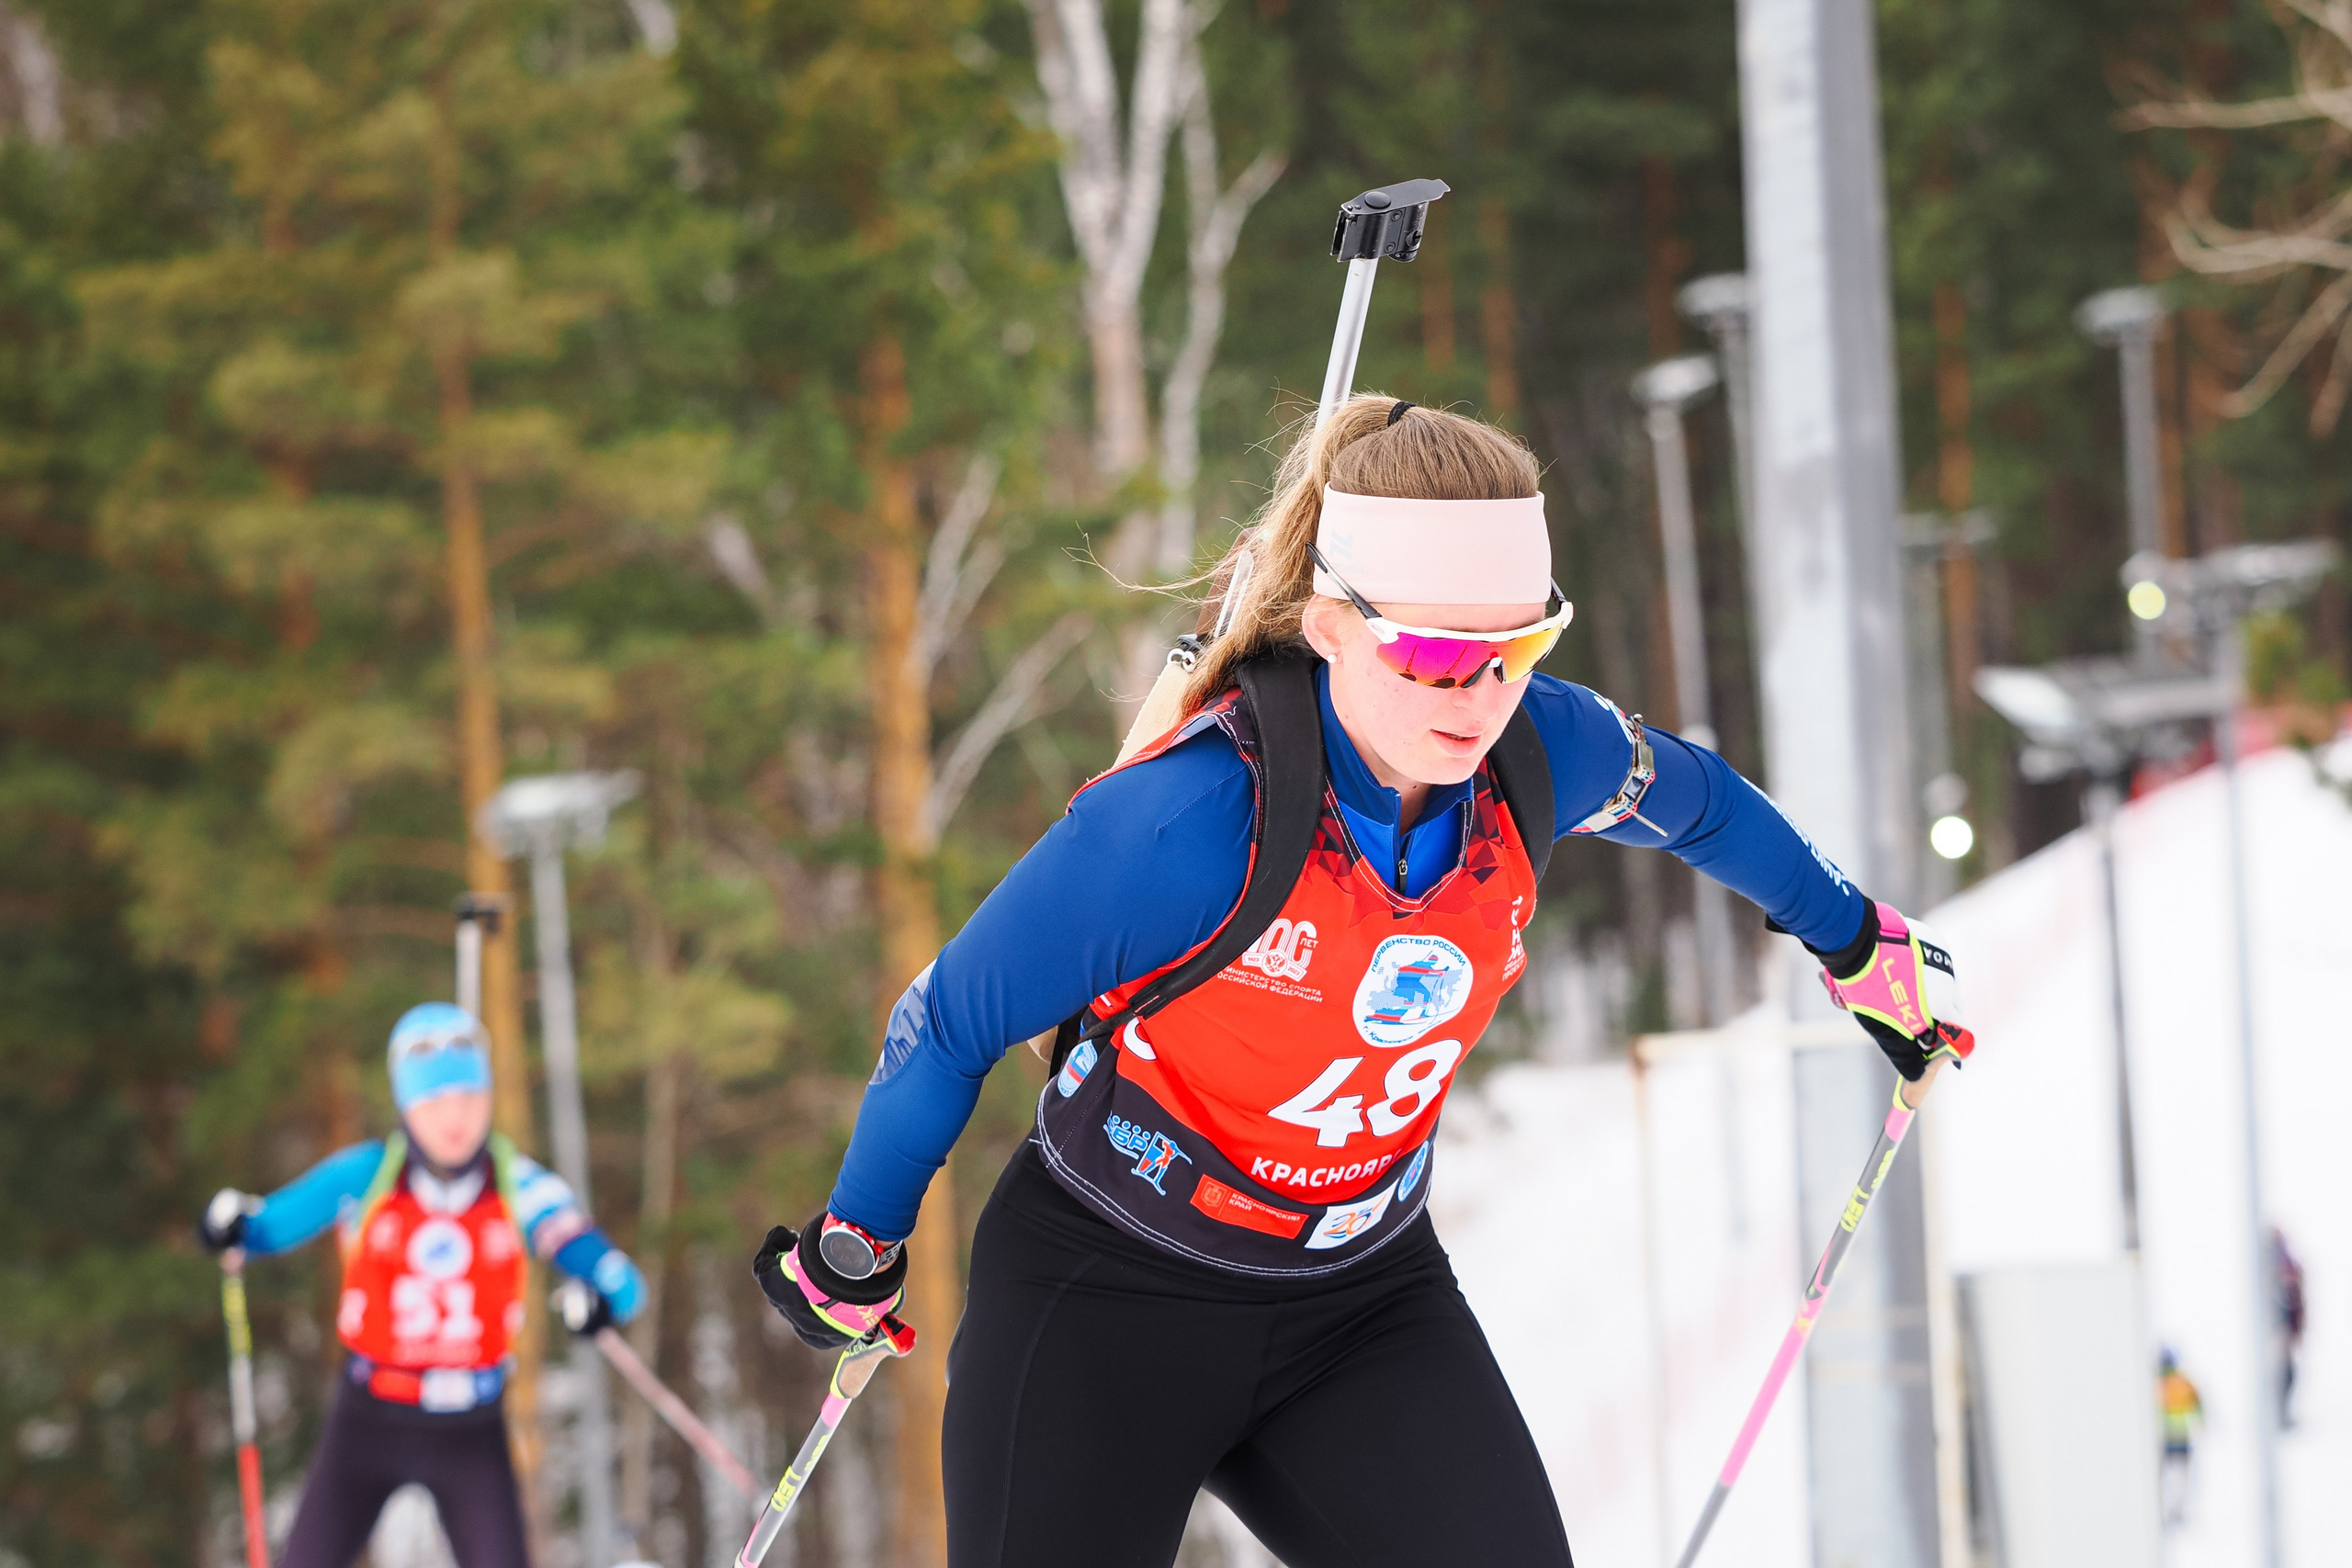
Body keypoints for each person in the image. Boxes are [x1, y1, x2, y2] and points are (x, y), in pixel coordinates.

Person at [752, 397, 1968, 1568]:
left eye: (1515, 648)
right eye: (1436, 653)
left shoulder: (1539, 751)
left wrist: (1857, 941)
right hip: (1106, 1292)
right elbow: (950, 1016)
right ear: (1330, 623)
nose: (1476, 697)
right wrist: (858, 1241)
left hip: (1359, 1301)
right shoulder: (1185, 822)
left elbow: (1696, 801)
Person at [199, 1003, 646, 1568]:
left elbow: (619, 1280)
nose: (453, 1118)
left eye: (469, 1097)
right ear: (407, 1106)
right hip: (368, 1417)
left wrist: (600, 1301)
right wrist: (232, 1225)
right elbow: (267, 1228)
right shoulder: (366, 1176)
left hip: (471, 1428)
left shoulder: (520, 1187)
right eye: (434, 1100)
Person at [2158, 1347, 2202, 1528]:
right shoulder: (2183, 1382)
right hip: (2181, 1438)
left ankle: (2170, 1510)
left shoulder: (2158, 1384)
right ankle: (2176, 1510)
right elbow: (2198, 1404)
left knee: (2170, 1477)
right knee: (2180, 1477)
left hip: (2166, 1440)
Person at [2273, 1226, 2305, 1429]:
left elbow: (2296, 1304)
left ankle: (2282, 1415)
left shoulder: (2289, 1266)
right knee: (2282, 1374)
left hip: (2284, 1331)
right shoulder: (2274, 1266)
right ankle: (2279, 1415)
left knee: (2288, 1374)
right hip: (2278, 1332)